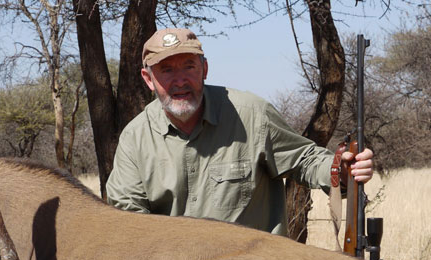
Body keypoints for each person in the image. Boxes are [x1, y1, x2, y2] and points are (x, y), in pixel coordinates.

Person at [106, 28, 374, 236]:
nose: (180, 81)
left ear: (205, 69)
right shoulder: (135, 138)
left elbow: (306, 159)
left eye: (189, 66)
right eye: (167, 70)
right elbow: (128, 222)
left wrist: (342, 169)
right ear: (148, 79)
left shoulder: (252, 114)